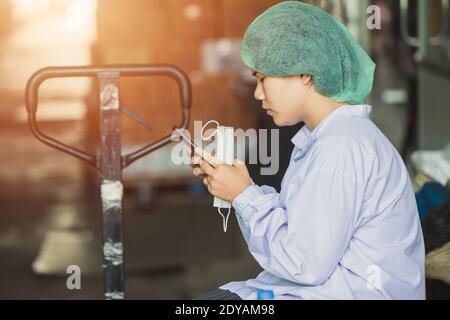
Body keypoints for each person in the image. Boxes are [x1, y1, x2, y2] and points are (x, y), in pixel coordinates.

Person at [191, 1, 425, 300]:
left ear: (305, 73)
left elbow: (305, 263)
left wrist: (243, 196)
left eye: (263, 78)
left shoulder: (341, 147)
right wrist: (242, 189)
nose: (257, 93)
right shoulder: (331, 138)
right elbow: (304, 230)